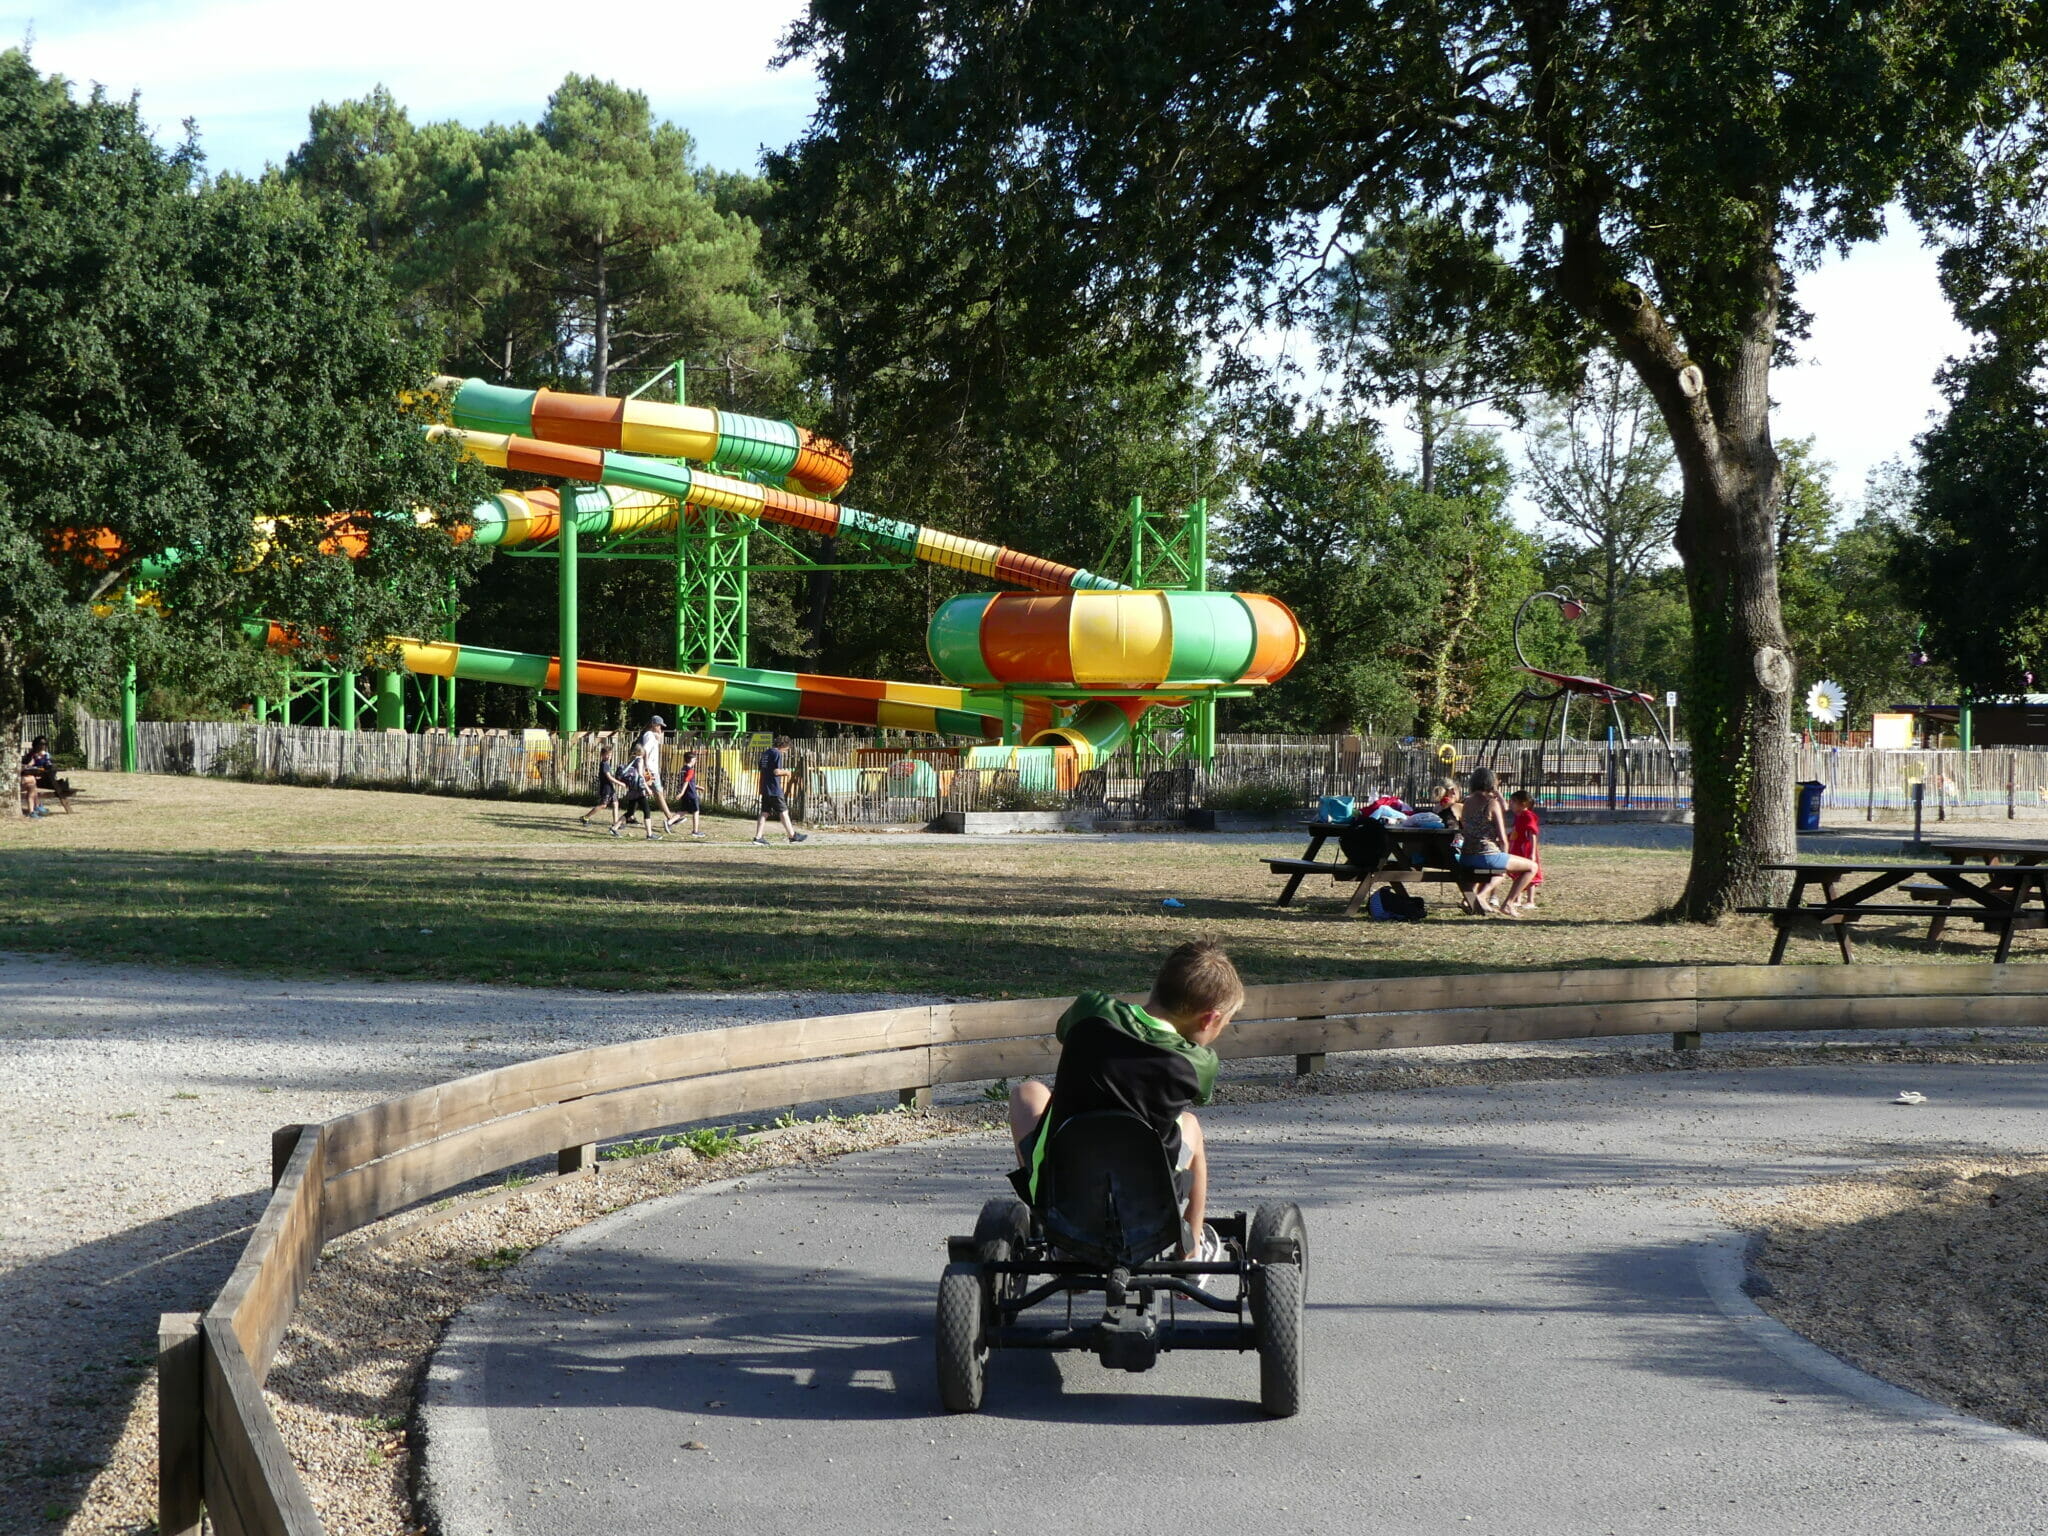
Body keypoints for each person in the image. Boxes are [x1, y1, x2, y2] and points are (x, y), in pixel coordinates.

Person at [1007, 940, 1242, 1261]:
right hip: (1146, 1203)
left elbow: (1064, 1032)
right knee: (1191, 1125)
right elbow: (1200, 1096)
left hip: (1058, 1189)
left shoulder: (1090, 1009)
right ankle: (1193, 1243)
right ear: (1209, 1019)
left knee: (1027, 1092)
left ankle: (1061, 1233)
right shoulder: (1198, 1063)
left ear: (1158, 985)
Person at [1458, 766, 1537, 916]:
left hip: (1467, 856)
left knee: (1494, 872)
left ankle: (1475, 898)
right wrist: (1505, 857)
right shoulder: (1491, 803)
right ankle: (1507, 903)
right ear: (1491, 783)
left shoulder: (1467, 802)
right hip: (1486, 854)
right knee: (1531, 867)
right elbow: (1502, 837)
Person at [751, 734, 809, 845]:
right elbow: (776, 771)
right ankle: (792, 836)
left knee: (764, 812)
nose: (786, 752)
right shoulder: (776, 753)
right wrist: (787, 772)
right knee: (784, 811)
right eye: (786, 749)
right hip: (774, 788)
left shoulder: (766, 753)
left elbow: (762, 768)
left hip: (765, 787)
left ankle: (758, 837)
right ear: (783, 745)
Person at [635, 715, 679, 836]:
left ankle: (629, 815)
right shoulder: (649, 735)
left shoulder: (649, 735)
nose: (661, 728)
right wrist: (647, 767)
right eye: (659, 726)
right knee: (658, 792)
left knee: (643, 792)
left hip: (650, 769)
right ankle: (670, 818)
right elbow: (646, 750)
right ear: (654, 725)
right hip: (651, 770)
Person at [1506, 789, 1544, 913]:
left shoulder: (1528, 816)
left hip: (1526, 849)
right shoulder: (1519, 817)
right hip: (1517, 848)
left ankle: (1530, 900)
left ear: (1523, 804)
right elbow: (1516, 831)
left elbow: (1532, 833)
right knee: (1518, 874)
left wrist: (1532, 852)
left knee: (1530, 875)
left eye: (1513, 802)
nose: (1510, 804)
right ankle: (1518, 899)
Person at [578, 742, 628, 834]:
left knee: (616, 803)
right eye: (606, 755)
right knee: (603, 805)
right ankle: (585, 817)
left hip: (610, 787)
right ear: (602, 755)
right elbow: (609, 777)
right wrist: (620, 783)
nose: (608, 756)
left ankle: (615, 823)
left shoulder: (607, 764)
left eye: (610, 755)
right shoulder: (604, 764)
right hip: (606, 788)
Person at [674, 749, 707, 839]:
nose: (696, 761)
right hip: (691, 794)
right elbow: (686, 781)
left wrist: (698, 787)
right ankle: (695, 831)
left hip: (686, 794)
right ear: (692, 760)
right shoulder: (691, 770)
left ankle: (669, 822)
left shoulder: (683, 769)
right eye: (695, 760)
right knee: (696, 811)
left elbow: (688, 782)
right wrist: (681, 793)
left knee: (683, 811)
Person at [19, 737, 53, 818]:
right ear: (35, 745)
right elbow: (24, 768)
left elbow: (49, 767)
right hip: (28, 777)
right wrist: (30, 764)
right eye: (40, 744)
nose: (42, 746)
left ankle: (35, 808)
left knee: (32, 782)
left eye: (44, 744)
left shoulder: (46, 755)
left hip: (42, 778)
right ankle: (37, 806)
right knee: (32, 782)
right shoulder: (30, 755)